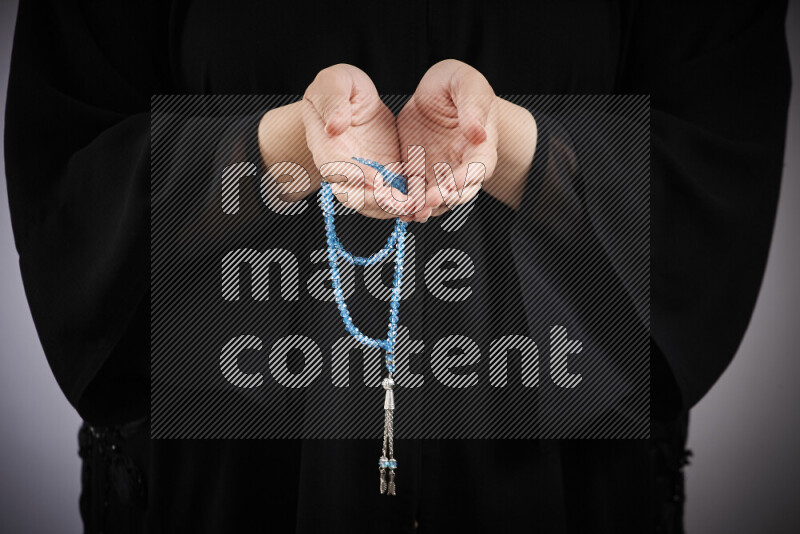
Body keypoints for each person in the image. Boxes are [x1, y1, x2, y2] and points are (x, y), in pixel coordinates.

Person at [4, 1, 790, 532]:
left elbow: (711, 175)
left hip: (559, 478)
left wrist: (508, 146)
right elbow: (71, 185)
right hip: (230, 478)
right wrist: (284, 147)